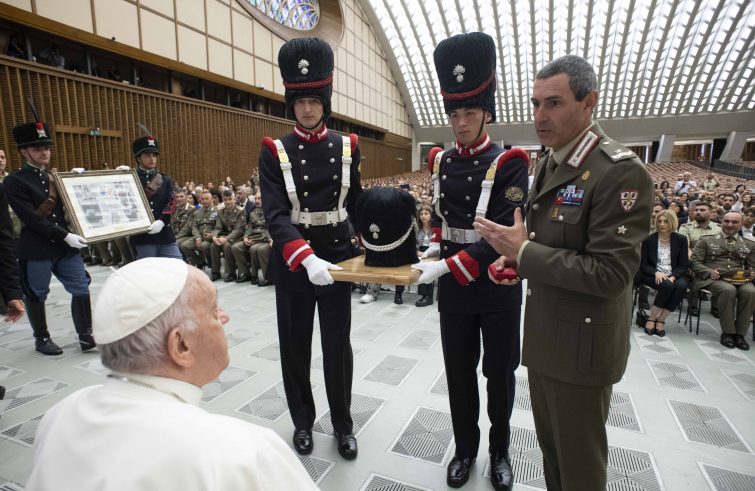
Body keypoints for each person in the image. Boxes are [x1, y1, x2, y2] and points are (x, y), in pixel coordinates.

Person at [473, 55, 653, 490]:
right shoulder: (551, 162)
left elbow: (610, 274)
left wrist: (525, 252)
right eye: (535, 104)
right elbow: (550, 245)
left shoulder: (619, 172)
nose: (540, 116)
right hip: (546, 340)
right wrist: (515, 261)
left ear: (589, 102)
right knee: (553, 456)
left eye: (553, 103)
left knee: (579, 467)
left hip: (582, 349)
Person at [25, 258, 318, 490]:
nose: (224, 317)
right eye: (213, 310)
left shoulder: (61, 412)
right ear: (181, 345)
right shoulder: (242, 452)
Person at [410, 32, 529, 490]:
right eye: (454, 114)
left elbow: (501, 237)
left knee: (498, 375)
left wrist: (444, 266)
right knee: (459, 375)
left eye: (470, 114)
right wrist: (433, 249)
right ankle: (464, 449)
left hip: (497, 285)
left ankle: (500, 452)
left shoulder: (510, 162)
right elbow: (445, 220)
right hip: (457, 291)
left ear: (487, 113)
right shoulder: (441, 162)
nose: (460, 123)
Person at [259, 37, 362, 460]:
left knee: (338, 347)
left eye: (314, 100)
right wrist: (305, 257)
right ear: (292, 103)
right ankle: (302, 422)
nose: (307, 108)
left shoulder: (347, 146)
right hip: (295, 263)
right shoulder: (275, 151)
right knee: (295, 345)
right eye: (300, 100)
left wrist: (384, 243)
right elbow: (275, 215)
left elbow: (356, 204)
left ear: (325, 101)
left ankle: (343, 424)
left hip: (336, 257)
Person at [4, 118, 95, 355]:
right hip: (37, 247)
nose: (44, 152)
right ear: (24, 151)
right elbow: (31, 219)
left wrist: (80, 183)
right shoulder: (14, 181)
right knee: (36, 294)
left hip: (64, 248)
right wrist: (65, 236)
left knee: (81, 287)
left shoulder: (54, 178)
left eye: (46, 147)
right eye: (38, 148)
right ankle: (42, 338)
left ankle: (86, 335)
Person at [690, 211, 754, 351]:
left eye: (734, 222)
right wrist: (709, 272)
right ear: (721, 222)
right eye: (726, 221)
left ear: (741, 224)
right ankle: (728, 332)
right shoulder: (706, 240)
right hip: (713, 278)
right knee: (728, 290)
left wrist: (752, 274)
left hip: (739, 279)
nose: (729, 225)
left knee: (750, 291)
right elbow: (695, 262)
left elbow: (752, 266)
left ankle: (740, 334)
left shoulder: (749, 244)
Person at [128, 133, 181, 259]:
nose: (152, 159)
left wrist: (162, 221)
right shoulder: (130, 178)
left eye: (154, 155)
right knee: (148, 269)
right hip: (143, 236)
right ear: (138, 158)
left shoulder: (165, 179)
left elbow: (171, 202)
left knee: (177, 265)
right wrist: (119, 176)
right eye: (147, 155)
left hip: (165, 234)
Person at [638, 210, 689, 336]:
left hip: (675, 273)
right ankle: (652, 318)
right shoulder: (649, 240)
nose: (662, 224)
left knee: (681, 286)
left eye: (665, 221)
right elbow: (644, 265)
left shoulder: (681, 239)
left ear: (672, 222)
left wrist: (674, 276)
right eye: (659, 221)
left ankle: (661, 320)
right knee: (667, 285)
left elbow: (683, 264)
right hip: (652, 274)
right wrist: (656, 272)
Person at [231, 189, 272, 285]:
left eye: (260, 198)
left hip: (264, 239)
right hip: (253, 238)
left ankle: (267, 276)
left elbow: (270, 228)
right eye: (256, 199)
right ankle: (245, 273)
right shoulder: (253, 212)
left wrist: (265, 239)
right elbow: (249, 227)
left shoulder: (270, 212)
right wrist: (246, 237)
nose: (257, 201)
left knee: (255, 248)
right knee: (236, 247)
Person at [211, 190, 245, 282]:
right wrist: (214, 237)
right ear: (223, 200)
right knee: (213, 245)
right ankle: (215, 272)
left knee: (226, 246)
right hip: (224, 236)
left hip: (237, 237)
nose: (228, 202)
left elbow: (238, 230)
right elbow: (218, 227)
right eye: (225, 199)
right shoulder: (220, 211)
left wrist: (226, 239)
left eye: (230, 199)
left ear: (234, 199)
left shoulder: (240, 211)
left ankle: (231, 273)